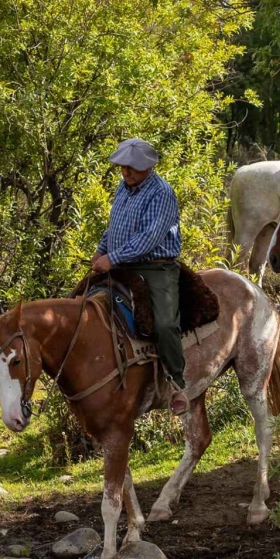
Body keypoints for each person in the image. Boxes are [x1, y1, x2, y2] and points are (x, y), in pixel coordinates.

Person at [90, 138, 187, 414]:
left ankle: (176, 383)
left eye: (132, 167)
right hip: (120, 263)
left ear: (147, 166)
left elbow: (148, 238)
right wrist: (101, 251)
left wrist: (112, 258)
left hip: (155, 267)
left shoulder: (161, 193)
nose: (126, 172)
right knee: (83, 303)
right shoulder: (123, 187)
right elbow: (114, 227)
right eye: (123, 167)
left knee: (165, 324)